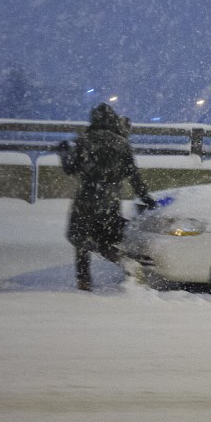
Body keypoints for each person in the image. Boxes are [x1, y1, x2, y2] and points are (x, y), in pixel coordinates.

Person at [57, 103, 155, 291]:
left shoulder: (85, 141)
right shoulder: (122, 144)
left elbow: (71, 168)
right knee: (105, 238)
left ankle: (84, 280)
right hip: (109, 202)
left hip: (85, 200)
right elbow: (133, 175)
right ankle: (122, 260)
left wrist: (64, 153)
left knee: (81, 240)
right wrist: (145, 197)